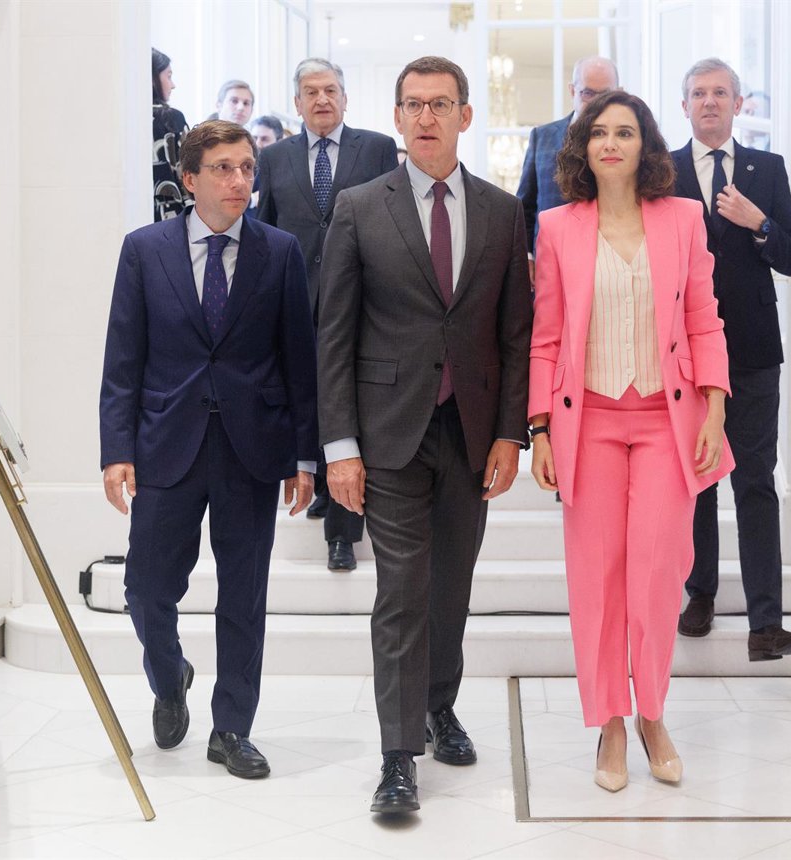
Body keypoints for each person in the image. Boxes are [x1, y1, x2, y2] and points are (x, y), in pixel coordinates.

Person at [318, 56, 532, 814]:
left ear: (465, 116)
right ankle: (398, 756)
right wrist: (340, 447)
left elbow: (514, 333)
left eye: (440, 104)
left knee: (451, 585)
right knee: (402, 591)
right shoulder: (358, 207)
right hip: (388, 434)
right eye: (412, 105)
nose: (426, 117)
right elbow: (333, 336)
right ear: (397, 117)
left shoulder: (503, 212)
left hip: (470, 433)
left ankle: (441, 706)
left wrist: (510, 434)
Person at [99, 120, 318, 780]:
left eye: (247, 167)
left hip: (252, 447)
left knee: (243, 595)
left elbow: (299, 361)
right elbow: (123, 359)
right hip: (166, 444)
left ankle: (232, 729)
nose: (239, 180)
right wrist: (116, 448)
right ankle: (170, 678)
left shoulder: (279, 252)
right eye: (224, 168)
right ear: (190, 179)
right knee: (145, 589)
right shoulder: (145, 251)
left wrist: (304, 455)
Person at [528, 90, 733, 791]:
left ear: (646, 145)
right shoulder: (557, 227)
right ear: (583, 147)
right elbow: (546, 337)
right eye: (599, 133)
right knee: (597, 579)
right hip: (587, 422)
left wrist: (715, 407)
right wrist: (540, 429)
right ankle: (610, 723)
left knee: (656, 574)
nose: (611, 143)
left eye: (625, 132)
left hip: (664, 423)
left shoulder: (683, 219)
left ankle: (652, 713)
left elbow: (705, 318)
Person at [671, 58, 791, 661]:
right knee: (697, 482)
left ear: (738, 103)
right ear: (684, 106)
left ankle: (765, 624)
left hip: (752, 353)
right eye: (699, 93)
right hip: (683, 354)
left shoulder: (767, 169)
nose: (709, 102)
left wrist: (759, 223)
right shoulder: (664, 172)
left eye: (720, 92)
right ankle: (698, 597)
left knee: (755, 482)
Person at [257, 57, 399, 573]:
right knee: (308, 396)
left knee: (346, 402)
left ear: (345, 97)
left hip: (359, 296)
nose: (322, 99)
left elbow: (393, 218)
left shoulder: (377, 148)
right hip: (294, 298)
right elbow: (264, 229)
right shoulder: (274, 158)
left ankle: (343, 535)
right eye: (311, 92)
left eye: (331, 90)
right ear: (297, 103)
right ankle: (318, 481)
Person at [516, 56, 619, 280]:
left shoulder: (627, 145)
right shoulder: (542, 137)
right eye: (588, 93)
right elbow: (524, 207)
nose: (596, 103)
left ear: (618, 94)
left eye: (605, 95)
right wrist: (527, 255)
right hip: (550, 267)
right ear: (573, 91)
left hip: (610, 268)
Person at [152, 48, 189, 222]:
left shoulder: (122, 119)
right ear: (152, 78)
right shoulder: (172, 118)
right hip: (170, 211)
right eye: (168, 76)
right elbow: (189, 167)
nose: (172, 85)